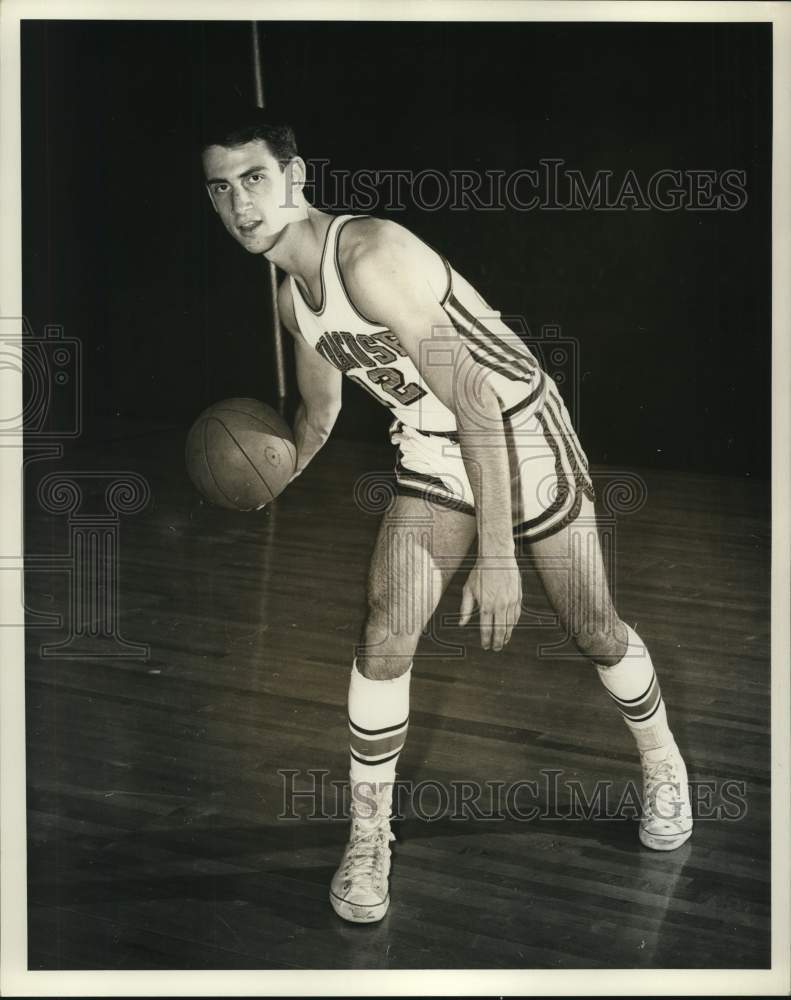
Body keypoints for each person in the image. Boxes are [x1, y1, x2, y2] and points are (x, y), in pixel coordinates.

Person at [199, 107, 693, 924]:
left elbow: (474, 399)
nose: (239, 204)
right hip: (431, 447)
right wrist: (267, 476)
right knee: (384, 630)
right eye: (220, 190)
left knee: (592, 626)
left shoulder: (368, 256)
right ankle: (367, 836)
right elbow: (316, 418)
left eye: (254, 179)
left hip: (515, 427)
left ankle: (664, 761)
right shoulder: (296, 299)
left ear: (296, 176)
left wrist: (496, 556)